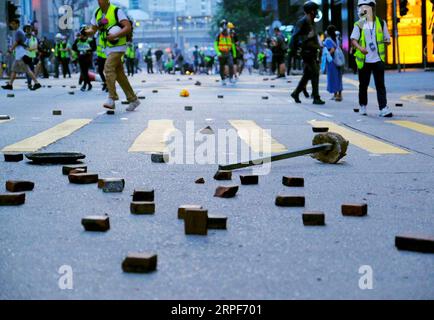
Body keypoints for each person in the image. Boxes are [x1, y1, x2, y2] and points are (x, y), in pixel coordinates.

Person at [86, 0, 140, 111]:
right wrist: (86, 32)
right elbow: (93, 30)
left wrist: (115, 35)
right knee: (120, 75)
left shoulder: (116, 11)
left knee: (108, 67)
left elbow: (127, 26)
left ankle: (111, 98)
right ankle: (133, 99)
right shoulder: (97, 13)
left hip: (119, 46)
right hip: (107, 47)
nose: (99, 1)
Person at [351, 0, 392, 117]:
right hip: (364, 60)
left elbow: (387, 38)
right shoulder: (359, 24)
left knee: (380, 85)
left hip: (378, 60)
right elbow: (353, 39)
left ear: (373, 9)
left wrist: (387, 41)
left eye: (367, 8)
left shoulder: (381, 23)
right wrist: (360, 48)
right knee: (363, 85)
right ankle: (363, 105)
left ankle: (383, 108)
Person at [290, 1, 325, 105]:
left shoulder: (311, 22)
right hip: (306, 52)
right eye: (315, 10)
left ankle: (296, 93)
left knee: (307, 75)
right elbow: (295, 37)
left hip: (312, 52)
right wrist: (307, 37)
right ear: (312, 11)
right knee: (314, 72)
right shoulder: (302, 21)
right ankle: (316, 97)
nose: (316, 13)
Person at [1, 18, 41, 91]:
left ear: (17, 24)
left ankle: (36, 83)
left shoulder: (18, 32)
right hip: (19, 55)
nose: (11, 25)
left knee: (28, 70)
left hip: (21, 55)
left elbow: (16, 43)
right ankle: (10, 84)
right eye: (11, 24)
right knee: (14, 70)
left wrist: (10, 50)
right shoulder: (19, 31)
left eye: (13, 24)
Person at [73, 26, 96, 91]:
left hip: (87, 58)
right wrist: (79, 50)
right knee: (83, 72)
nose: (82, 35)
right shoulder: (78, 40)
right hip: (80, 58)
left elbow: (94, 48)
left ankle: (85, 85)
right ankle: (88, 84)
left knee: (84, 72)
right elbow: (74, 48)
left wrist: (87, 51)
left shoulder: (90, 40)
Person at [324, 25, 343, 101]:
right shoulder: (336, 39)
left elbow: (332, 49)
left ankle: (336, 94)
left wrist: (326, 53)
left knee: (333, 78)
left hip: (332, 61)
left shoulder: (328, 40)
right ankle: (339, 94)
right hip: (339, 60)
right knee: (339, 77)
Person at [214, 19, 237, 85]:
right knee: (222, 66)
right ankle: (223, 79)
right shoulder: (218, 35)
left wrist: (234, 53)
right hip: (221, 53)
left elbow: (232, 44)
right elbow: (215, 45)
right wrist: (218, 52)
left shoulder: (230, 35)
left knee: (231, 64)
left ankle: (231, 78)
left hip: (228, 53)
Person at [23, 24, 38, 89]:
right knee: (27, 70)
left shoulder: (34, 38)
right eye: (27, 29)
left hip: (31, 56)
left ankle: (30, 81)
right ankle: (29, 82)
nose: (28, 30)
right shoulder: (23, 37)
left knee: (31, 70)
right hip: (24, 56)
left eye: (29, 29)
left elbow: (35, 47)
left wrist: (29, 49)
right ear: (25, 30)